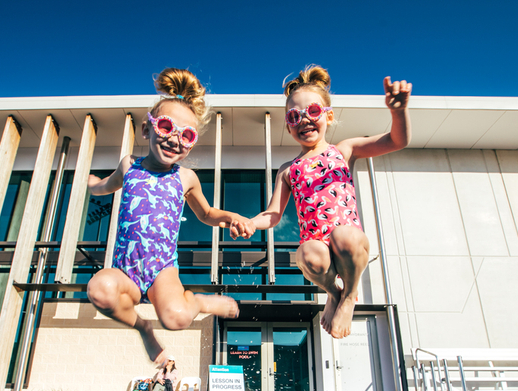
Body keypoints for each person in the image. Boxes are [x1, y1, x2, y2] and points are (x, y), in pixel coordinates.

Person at [87, 68, 255, 367]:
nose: (175, 139)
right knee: (99, 290)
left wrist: (231, 217)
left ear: (191, 144)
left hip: (162, 268)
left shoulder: (186, 177)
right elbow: (106, 186)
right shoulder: (129, 166)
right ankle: (144, 330)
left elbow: (206, 214)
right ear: (147, 129)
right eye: (166, 126)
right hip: (125, 268)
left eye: (186, 135)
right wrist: (89, 183)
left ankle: (199, 301)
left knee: (177, 318)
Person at [249, 65, 411, 339]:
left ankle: (348, 296)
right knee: (306, 252)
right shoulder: (288, 170)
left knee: (344, 235)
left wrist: (397, 112)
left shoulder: (344, 150)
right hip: (319, 252)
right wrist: (251, 222)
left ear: (328, 115)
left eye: (312, 111)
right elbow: (274, 214)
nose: (304, 120)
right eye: (294, 116)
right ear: (288, 126)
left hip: (349, 244)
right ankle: (333, 293)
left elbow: (397, 141)